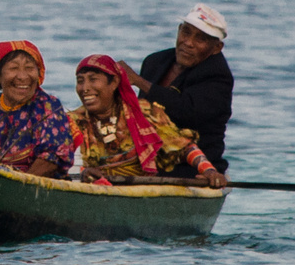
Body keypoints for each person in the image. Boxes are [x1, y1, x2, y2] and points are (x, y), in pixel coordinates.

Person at [68, 54, 225, 187]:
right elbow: (58, 160)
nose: (85, 88)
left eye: (93, 79)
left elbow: (184, 148)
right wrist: (82, 172)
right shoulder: (73, 121)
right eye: (80, 81)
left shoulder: (144, 113)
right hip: (94, 190)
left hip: (140, 191)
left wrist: (209, 171)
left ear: (114, 82)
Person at [118, 4, 233, 175]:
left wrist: (139, 81)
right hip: (149, 157)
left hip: (192, 167)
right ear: (179, 30)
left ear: (217, 48)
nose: (188, 43)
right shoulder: (154, 61)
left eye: (200, 39)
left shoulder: (218, 76)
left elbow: (186, 110)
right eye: (185, 32)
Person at [0, 41, 73, 178]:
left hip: (32, 188)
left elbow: (51, 159)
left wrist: (17, 187)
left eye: (29, 68)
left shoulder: (48, 106)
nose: (23, 76)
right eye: (14, 68)